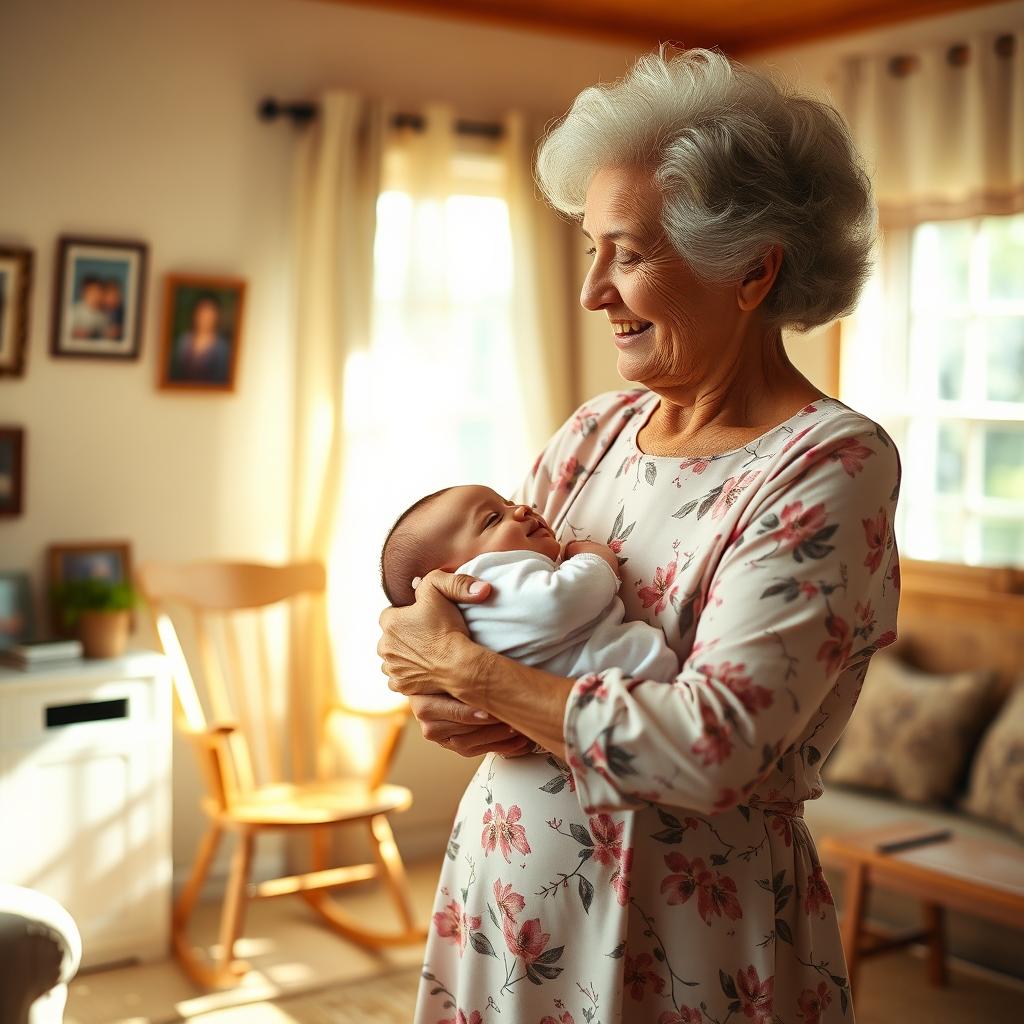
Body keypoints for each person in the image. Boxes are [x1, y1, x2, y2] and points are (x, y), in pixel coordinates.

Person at [378, 47, 899, 1024]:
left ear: (751, 270)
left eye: (628, 252)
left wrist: (479, 676)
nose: (592, 292)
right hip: (508, 895)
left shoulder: (829, 463)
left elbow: (711, 749)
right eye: (591, 249)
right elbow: (473, 663)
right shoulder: (590, 433)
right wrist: (444, 678)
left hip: (682, 931)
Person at [380, 484, 678, 682]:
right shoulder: (487, 582)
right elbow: (559, 602)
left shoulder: (489, 601)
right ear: (450, 575)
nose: (521, 508)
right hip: (627, 688)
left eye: (508, 503)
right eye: (492, 520)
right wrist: (594, 559)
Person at [171, 294, 231, 383]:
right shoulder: (183, 341)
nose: (205, 318)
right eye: (202, 312)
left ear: (216, 317)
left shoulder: (222, 347)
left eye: (209, 314)